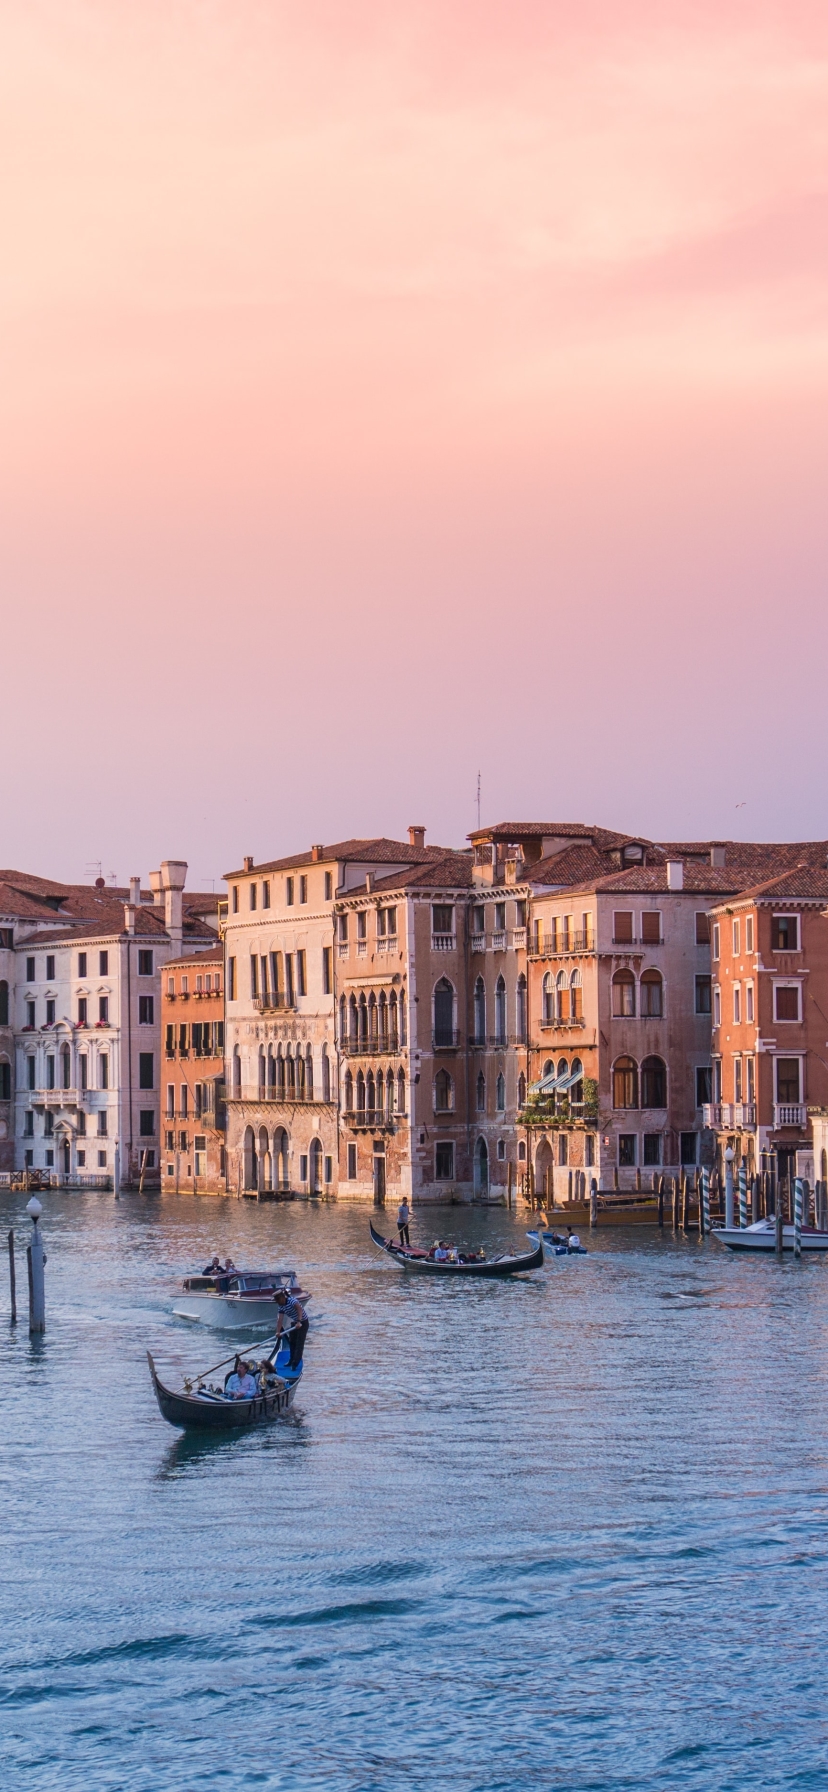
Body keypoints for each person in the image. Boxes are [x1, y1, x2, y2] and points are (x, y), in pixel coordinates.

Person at [273, 1286, 309, 1369]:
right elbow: (280, 1320)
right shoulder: (281, 1306)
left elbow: (299, 1309)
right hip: (295, 1322)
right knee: (292, 1342)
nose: (277, 1302)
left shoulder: (292, 1301)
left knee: (299, 1343)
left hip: (302, 1322)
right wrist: (278, 1332)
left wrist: (299, 1321)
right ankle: (291, 1359)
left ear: (282, 1298)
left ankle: (295, 1363)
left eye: (277, 1300)